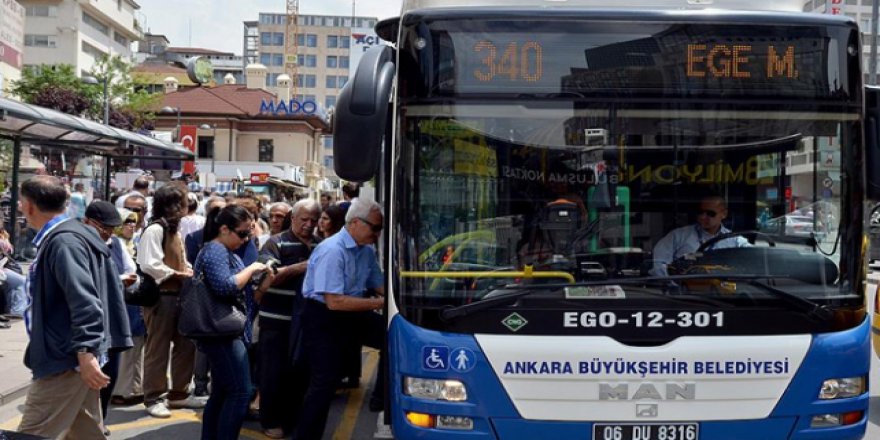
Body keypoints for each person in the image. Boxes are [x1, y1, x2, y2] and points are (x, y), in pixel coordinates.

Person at [17, 176, 132, 439]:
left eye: (22, 203)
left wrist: (85, 352)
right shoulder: (72, 236)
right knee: (86, 433)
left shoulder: (64, 242)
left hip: (66, 359)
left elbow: (85, 301)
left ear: (29, 206)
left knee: (31, 434)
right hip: (74, 356)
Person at [293, 198, 386, 440]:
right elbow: (334, 301)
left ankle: (383, 396)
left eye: (380, 229)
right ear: (355, 223)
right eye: (375, 228)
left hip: (353, 312)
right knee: (323, 382)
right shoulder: (332, 250)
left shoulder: (366, 250)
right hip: (325, 317)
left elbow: (378, 285)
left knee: (393, 337)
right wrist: (379, 303)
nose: (377, 234)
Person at [196, 205, 274, 440]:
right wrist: (252, 268)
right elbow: (226, 286)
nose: (246, 239)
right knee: (241, 392)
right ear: (224, 229)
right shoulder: (216, 250)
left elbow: (244, 293)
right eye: (242, 233)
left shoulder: (225, 251)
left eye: (249, 234)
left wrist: (264, 281)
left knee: (222, 392)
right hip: (221, 332)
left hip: (228, 330)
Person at [257, 199, 321, 439]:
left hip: (305, 322)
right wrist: (307, 265)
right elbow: (270, 277)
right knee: (272, 372)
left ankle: (291, 420)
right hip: (276, 320)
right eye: (304, 219)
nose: (308, 224)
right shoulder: (275, 242)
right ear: (292, 218)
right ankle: (269, 420)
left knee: (299, 374)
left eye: (313, 220)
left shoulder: (319, 244)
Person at [137, 183, 201, 418]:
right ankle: (153, 396)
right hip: (162, 297)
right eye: (184, 201)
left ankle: (179, 393)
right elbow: (149, 264)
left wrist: (188, 270)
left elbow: (177, 260)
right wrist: (176, 274)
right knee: (158, 348)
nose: (188, 205)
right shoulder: (156, 229)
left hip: (178, 296)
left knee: (185, 345)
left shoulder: (173, 230)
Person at [650, 196, 750, 277]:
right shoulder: (677, 236)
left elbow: (753, 257)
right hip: (684, 294)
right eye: (700, 212)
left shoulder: (735, 241)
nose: (703, 217)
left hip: (723, 294)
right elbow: (658, 263)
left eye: (710, 213)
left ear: (724, 214)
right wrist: (674, 286)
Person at [111, 209, 147, 406]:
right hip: (123, 302)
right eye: (127, 222)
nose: (131, 226)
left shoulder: (134, 244)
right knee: (127, 347)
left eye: (134, 222)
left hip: (132, 301)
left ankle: (134, 388)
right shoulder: (115, 245)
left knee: (135, 346)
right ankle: (122, 391)